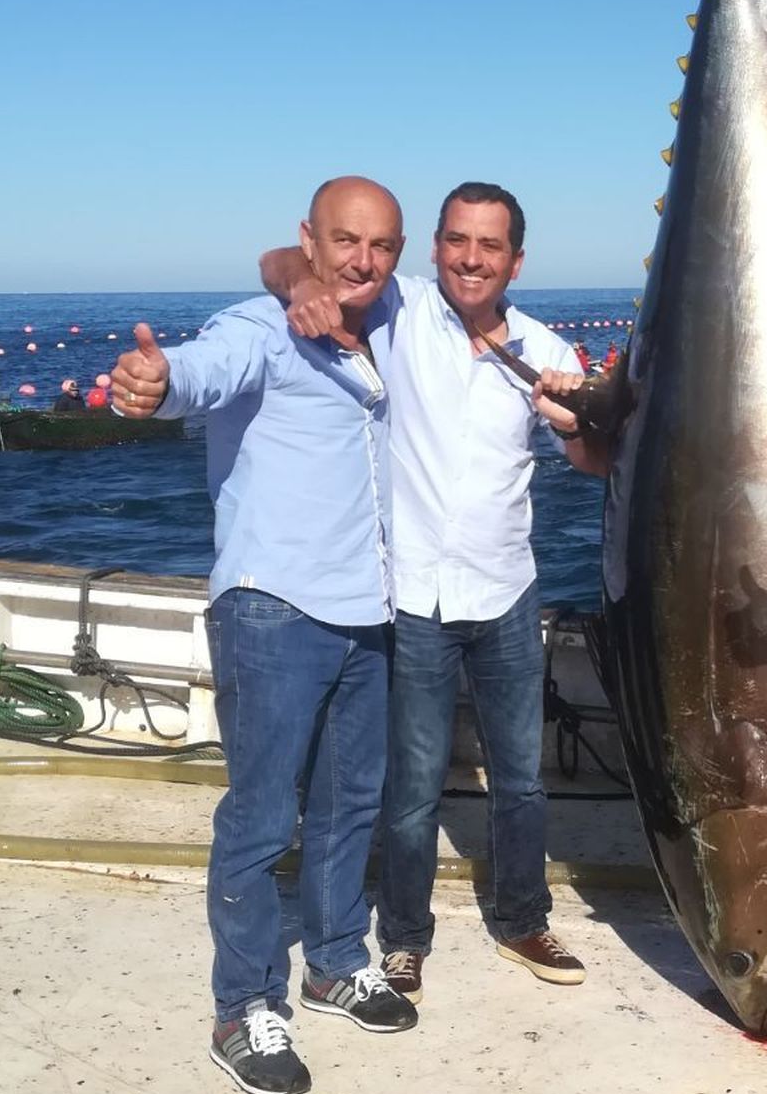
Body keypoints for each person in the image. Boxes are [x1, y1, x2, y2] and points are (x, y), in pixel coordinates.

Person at [262, 182, 612, 1006]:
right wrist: (303, 282)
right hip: (413, 595)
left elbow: (598, 463)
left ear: (516, 260)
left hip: (507, 595)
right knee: (411, 789)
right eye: (457, 239)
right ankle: (407, 938)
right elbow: (279, 259)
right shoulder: (402, 311)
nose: (471, 258)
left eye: (490, 245)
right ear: (434, 248)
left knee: (521, 778)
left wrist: (575, 421)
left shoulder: (548, 346)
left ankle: (523, 918)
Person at [110, 175, 417, 1094]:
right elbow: (204, 371)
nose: (363, 261)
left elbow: (319, 271)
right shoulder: (261, 326)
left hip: (370, 605)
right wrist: (157, 385)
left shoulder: (390, 315)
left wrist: (301, 274)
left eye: (382, 246)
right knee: (258, 816)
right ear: (309, 238)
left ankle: (329, 962)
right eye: (343, 242)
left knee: (348, 801)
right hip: (272, 606)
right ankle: (242, 1006)